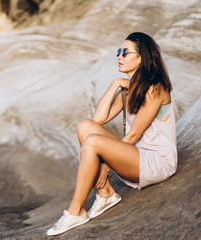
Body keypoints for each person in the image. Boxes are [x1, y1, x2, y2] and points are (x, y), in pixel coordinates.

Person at [47, 32, 177, 236]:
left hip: (157, 162)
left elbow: (133, 135)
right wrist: (116, 84)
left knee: (92, 142)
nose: (119, 56)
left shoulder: (155, 88)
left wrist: (105, 167)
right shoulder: (129, 90)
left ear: (141, 57)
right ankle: (106, 193)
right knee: (85, 127)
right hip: (136, 156)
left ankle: (76, 211)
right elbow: (98, 119)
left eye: (125, 52)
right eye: (118, 52)